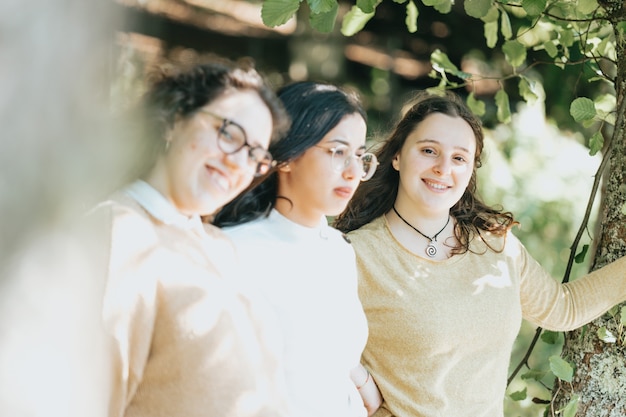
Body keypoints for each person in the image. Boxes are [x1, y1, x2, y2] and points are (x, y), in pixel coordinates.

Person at [333, 90, 626, 417]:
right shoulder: (354, 255)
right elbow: (300, 334)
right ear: (398, 156)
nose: (444, 168)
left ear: (471, 170)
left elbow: (564, 307)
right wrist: (357, 377)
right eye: (429, 151)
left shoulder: (496, 249)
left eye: (459, 158)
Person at [89, 59, 292, 417]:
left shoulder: (215, 243)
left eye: (255, 155)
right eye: (229, 133)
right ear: (174, 119)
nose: (238, 164)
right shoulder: (118, 232)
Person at [213, 81, 383, 417]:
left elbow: (325, 352)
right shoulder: (231, 250)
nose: (353, 172)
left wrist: (361, 383)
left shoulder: (338, 251)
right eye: (338, 152)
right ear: (287, 157)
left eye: (360, 156)